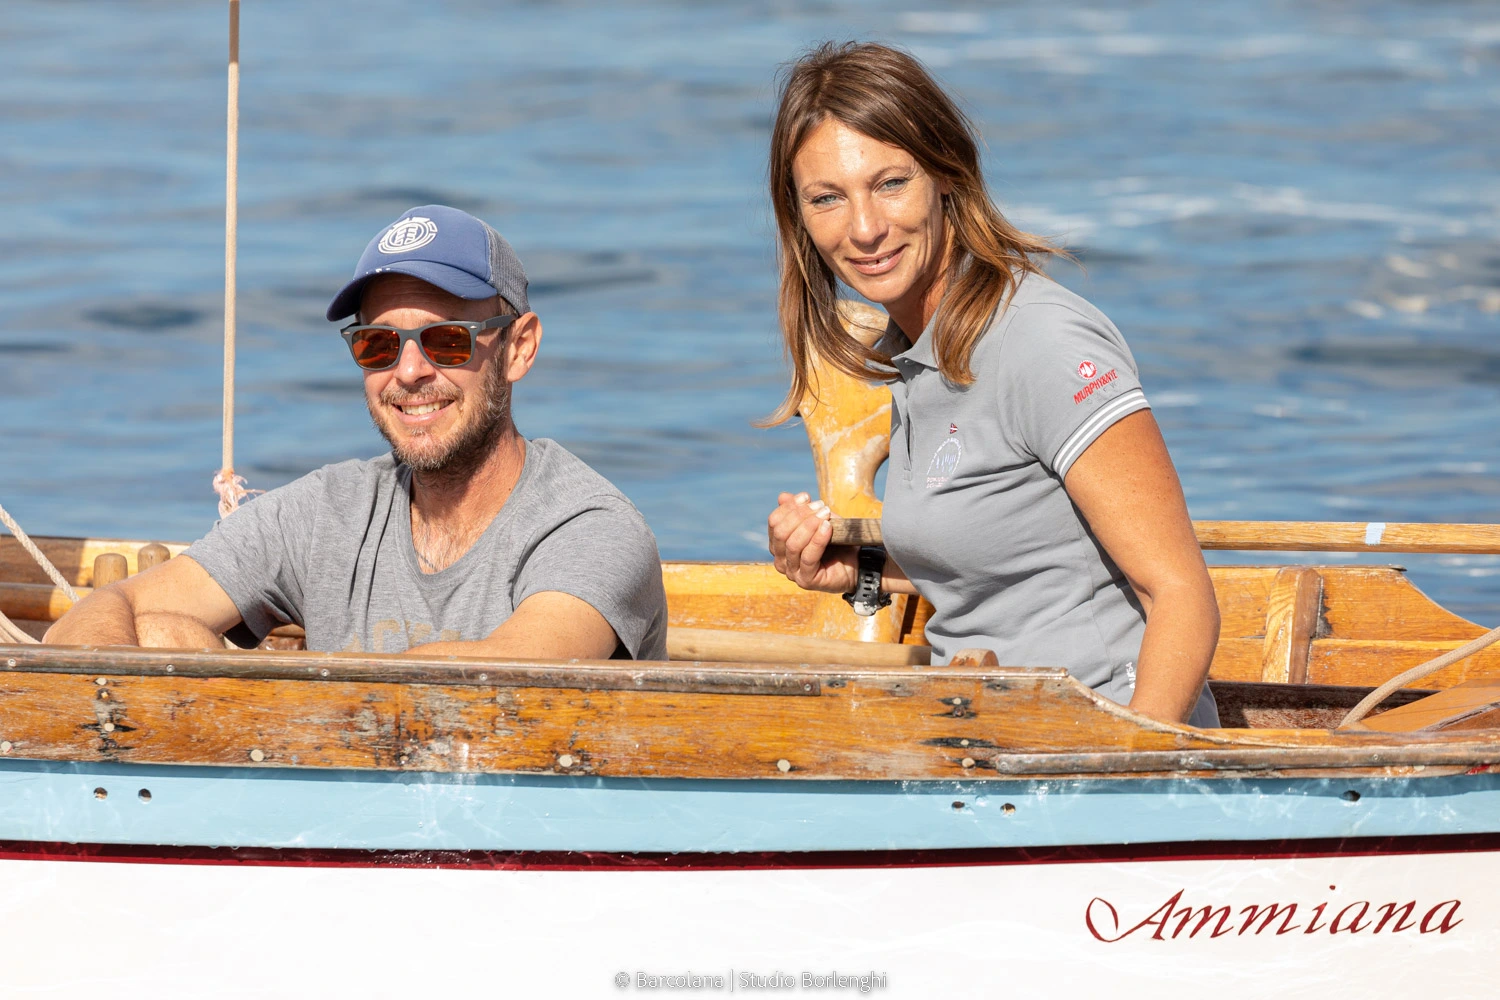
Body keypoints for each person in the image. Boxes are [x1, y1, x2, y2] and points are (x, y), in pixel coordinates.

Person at [763, 43, 1219, 726]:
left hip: (1098, 735)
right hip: (982, 737)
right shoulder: (922, 354)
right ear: (798, 217)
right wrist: (858, 570)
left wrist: (1132, 762)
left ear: (946, 173)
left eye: (891, 183)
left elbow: (1181, 595)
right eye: (828, 198)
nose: (864, 228)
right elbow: (1014, 556)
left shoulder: (1041, 342)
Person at [47, 204, 668, 661]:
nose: (410, 371)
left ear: (520, 348)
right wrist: (118, 664)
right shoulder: (328, 512)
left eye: (447, 340)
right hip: (340, 790)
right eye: (378, 344)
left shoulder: (592, 528)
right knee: (159, 632)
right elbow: (108, 609)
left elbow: (516, 673)